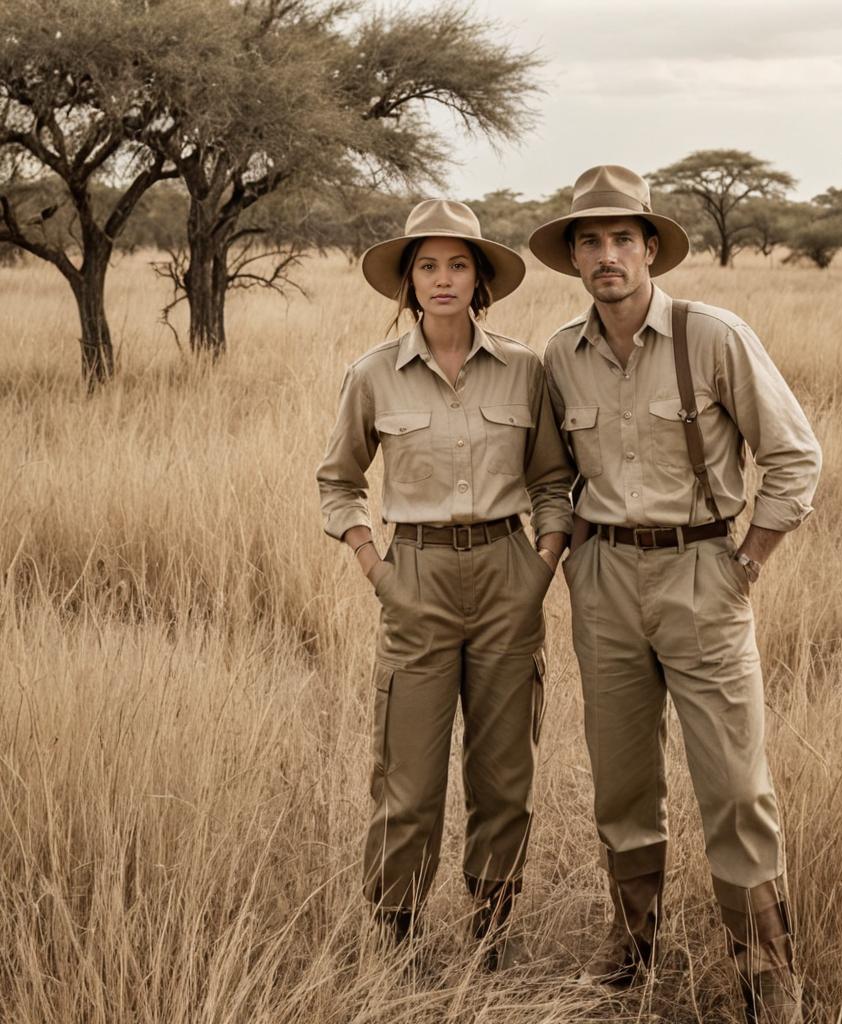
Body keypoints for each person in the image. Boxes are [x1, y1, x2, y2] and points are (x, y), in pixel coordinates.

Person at [530, 166, 821, 1022]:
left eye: (624, 239)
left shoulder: (713, 335)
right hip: (604, 581)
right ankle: (632, 949)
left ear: (651, 248)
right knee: (622, 783)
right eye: (591, 241)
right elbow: (552, 476)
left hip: (704, 573)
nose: (607, 255)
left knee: (734, 784)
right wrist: (571, 558)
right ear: (574, 257)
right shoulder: (560, 353)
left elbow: (795, 456)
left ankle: (767, 974)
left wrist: (749, 560)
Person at [317, 199, 573, 968]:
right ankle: (395, 946)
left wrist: (540, 567)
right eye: (426, 265)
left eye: (458, 263)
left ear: (481, 278)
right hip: (415, 576)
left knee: (504, 781)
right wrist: (376, 568)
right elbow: (338, 482)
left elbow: (554, 480)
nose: (442, 278)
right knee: (409, 782)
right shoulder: (372, 375)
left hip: (507, 575)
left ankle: (491, 940)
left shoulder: (526, 369)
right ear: (406, 280)